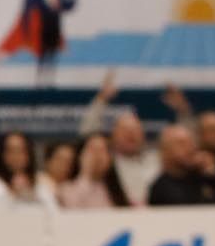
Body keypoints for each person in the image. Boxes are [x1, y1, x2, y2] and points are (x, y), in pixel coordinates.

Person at [78, 72, 190, 206]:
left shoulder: (158, 159)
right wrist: (101, 100)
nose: (131, 135)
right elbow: (88, 135)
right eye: (125, 131)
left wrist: (183, 111)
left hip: (160, 215)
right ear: (113, 137)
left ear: (143, 135)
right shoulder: (109, 163)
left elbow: (186, 143)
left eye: (135, 131)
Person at [147, 124, 215, 206]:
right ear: (165, 152)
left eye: (191, 142)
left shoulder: (205, 177)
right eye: (181, 144)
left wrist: (212, 173)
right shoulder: (160, 188)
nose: (190, 148)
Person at [0, 130, 51, 211]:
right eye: (11, 151)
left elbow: (51, 213)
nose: (16, 156)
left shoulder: (40, 183)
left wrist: (31, 195)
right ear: (2, 155)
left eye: (21, 150)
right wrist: (13, 195)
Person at [57, 133, 128, 210]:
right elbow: (73, 209)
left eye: (102, 150)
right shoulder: (66, 189)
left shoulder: (117, 191)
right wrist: (86, 173)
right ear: (80, 156)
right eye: (92, 149)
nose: (97, 155)